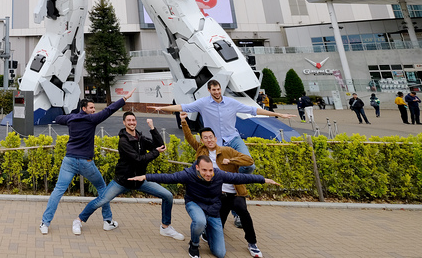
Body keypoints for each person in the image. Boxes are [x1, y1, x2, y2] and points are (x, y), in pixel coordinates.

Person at [129, 156, 279, 258]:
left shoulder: (218, 174)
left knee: (220, 253)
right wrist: (145, 177)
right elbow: (168, 177)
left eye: (210, 170)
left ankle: (206, 231)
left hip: (213, 209)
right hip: (194, 203)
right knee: (199, 221)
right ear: (197, 169)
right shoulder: (188, 174)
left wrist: (263, 179)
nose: (208, 174)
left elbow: (240, 177)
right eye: (204, 170)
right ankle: (194, 244)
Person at [73, 111, 184, 240]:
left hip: (140, 180)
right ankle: (79, 220)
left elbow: (160, 146)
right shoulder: (123, 141)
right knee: (102, 200)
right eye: (129, 120)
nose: (132, 122)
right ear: (124, 123)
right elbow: (137, 159)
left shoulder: (140, 138)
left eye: (133, 120)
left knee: (168, 196)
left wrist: (152, 128)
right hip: (122, 181)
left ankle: (166, 227)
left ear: (136, 122)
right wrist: (155, 152)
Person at [39, 91, 133, 235]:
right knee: (102, 188)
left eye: (94, 108)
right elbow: (109, 110)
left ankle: (45, 223)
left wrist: (72, 115)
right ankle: (108, 222)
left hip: (69, 160)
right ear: (84, 108)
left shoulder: (71, 118)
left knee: (58, 191)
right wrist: (124, 98)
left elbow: (58, 118)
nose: (94, 110)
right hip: (85, 162)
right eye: (91, 108)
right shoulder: (92, 119)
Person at [155, 79, 294, 172]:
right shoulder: (202, 103)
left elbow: (254, 110)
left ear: (221, 89)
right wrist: (161, 108)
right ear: (209, 90)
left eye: (218, 89)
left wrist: (279, 115)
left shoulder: (231, 102)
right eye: (213, 90)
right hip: (216, 143)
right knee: (219, 172)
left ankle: (236, 179)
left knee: (250, 165)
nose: (216, 92)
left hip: (233, 139)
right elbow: (182, 106)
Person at [180, 113, 264, 258]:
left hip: (234, 191)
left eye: (211, 137)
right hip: (216, 194)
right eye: (205, 138)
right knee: (220, 220)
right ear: (202, 140)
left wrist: (231, 161)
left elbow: (249, 161)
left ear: (215, 138)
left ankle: (252, 243)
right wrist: (183, 121)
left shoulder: (226, 150)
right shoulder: (201, 151)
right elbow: (189, 138)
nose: (208, 140)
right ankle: (207, 234)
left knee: (243, 211)